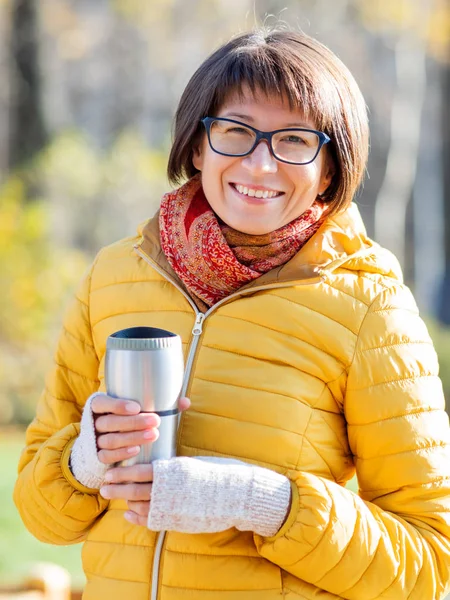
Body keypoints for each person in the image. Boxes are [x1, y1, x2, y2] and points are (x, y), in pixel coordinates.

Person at [14, 28, 450, 600]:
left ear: (330, 167)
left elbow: (430, 566)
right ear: (198, 146)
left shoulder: (371, 307)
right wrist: (85, 462)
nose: (261, 164)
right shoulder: (114, 276)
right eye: (236, 132)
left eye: (295, 140)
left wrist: (264, 504)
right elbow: (43, 517)